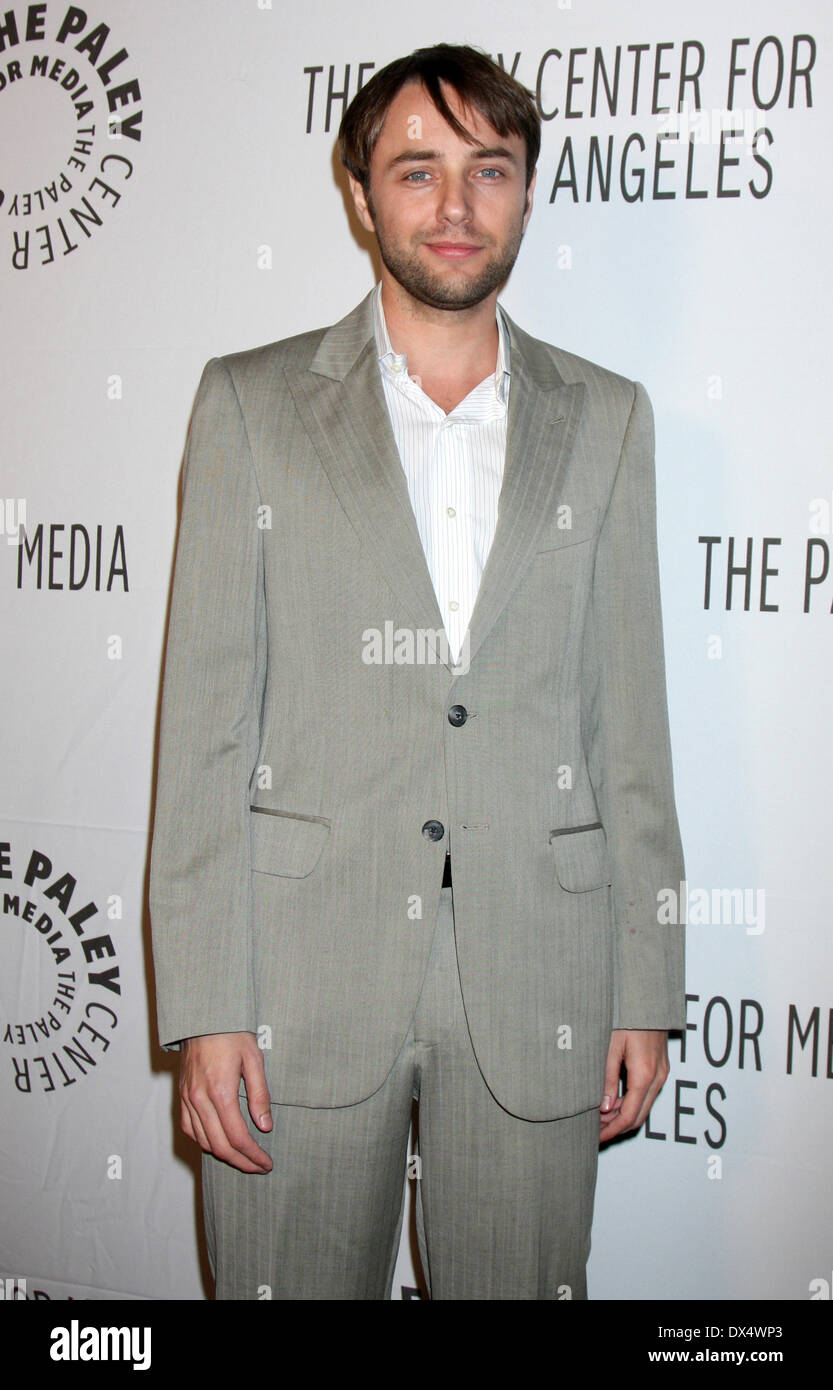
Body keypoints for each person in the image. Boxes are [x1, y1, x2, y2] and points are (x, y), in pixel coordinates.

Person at [149, 42, 685, 1301]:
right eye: (417, 170)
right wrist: (207, 1004)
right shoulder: (251, 405)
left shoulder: (606, 418)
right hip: (295, 975)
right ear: (359, 192)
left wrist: (647, 981)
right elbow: (206, 730)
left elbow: (632, 727)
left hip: (538, 967)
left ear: (526, 191)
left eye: (487, 170)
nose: (454, 207)